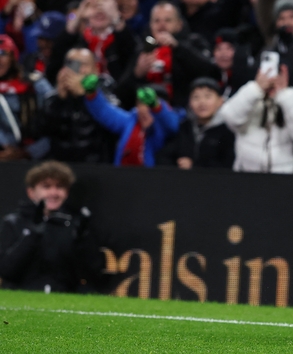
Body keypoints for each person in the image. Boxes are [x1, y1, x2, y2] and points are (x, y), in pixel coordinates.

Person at [0, 161, 103, 292]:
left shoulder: (75, 225)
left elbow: (94, 273)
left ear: (67, 192)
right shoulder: (13, 222)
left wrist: (83, 238)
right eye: (46, 186)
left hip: (63, 300)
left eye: (59, 187)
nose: (53, 193)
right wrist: (32, 235)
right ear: (31, 192)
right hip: (20, 297)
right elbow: (6, 270)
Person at [219, 65, 293, 173]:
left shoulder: (292, 97)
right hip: (248, 176)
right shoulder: (249, 96)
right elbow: (228, 116)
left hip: (287, 177)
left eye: (276, 74)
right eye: (266, 72)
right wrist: (256, 88)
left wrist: (283, 94)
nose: (271, 78)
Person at [83, 79, 181, 167]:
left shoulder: (162, 125)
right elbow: (106, 112)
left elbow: (172, 125)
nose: (143, 108)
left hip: (150, 180)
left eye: (149, 104)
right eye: (140, 103)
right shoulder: (131, 120)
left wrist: (157, 107)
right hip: (123, 177)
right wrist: (92, 95)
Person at [174, 77, 235, 169]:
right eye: (196, 97)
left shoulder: (228, 130)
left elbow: (227, 165)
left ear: (220, 101)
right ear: (189, 102)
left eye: (208, 96)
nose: (202, 102)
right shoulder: (184, 127)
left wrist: (194, 166)